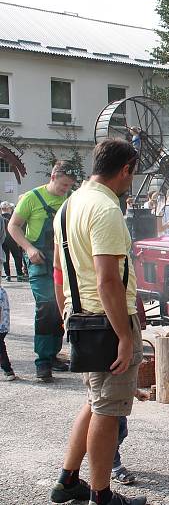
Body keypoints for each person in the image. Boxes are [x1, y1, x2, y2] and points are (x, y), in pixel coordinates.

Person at [49, 138, 145, 505]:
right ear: (125, 170)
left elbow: (60, 270)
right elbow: (107, 279)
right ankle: (101, 496)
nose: (130, 181)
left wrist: (65, 315)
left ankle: (68, 481)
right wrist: (124, 334)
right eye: (131, 174)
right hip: (106, 321)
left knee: (94, 401)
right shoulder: (105, 209)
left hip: (82, 316)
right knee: (107, 409)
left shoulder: (68, 206)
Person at [8, 162, 76, 381]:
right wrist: (29, 248)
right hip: (39, 261)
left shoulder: (72, 199)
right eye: (63, 184)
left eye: (69, 185)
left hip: (64, 262)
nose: (66, 189)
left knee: (62, 307)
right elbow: (13, 226)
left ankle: (54, 354)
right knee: (46, 307)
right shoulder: (31, 198)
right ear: (53, 176)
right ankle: (43, 362)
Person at [0, 229, 13, 380]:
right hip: (3, 327)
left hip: (0, 327)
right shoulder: (2, 291)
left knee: (1, 349)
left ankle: (8, 370)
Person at [2, 201, 26, 282]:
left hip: (3, 241)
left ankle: (7, 275)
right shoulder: (13, 217)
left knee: (6, 258)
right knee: (17, 257)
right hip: (13, 239)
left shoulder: (1, 218)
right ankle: (19, 275)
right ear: (9, 209)